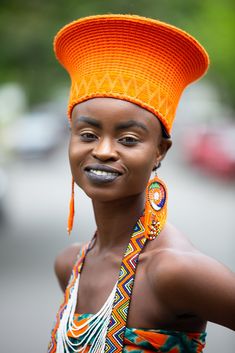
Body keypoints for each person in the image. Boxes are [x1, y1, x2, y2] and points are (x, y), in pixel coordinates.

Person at [48, 14, 235, 353]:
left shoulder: (174, 271)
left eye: (129, 139)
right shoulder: (70, 265)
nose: (103, 151)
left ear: (159, 152)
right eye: (88, 134)